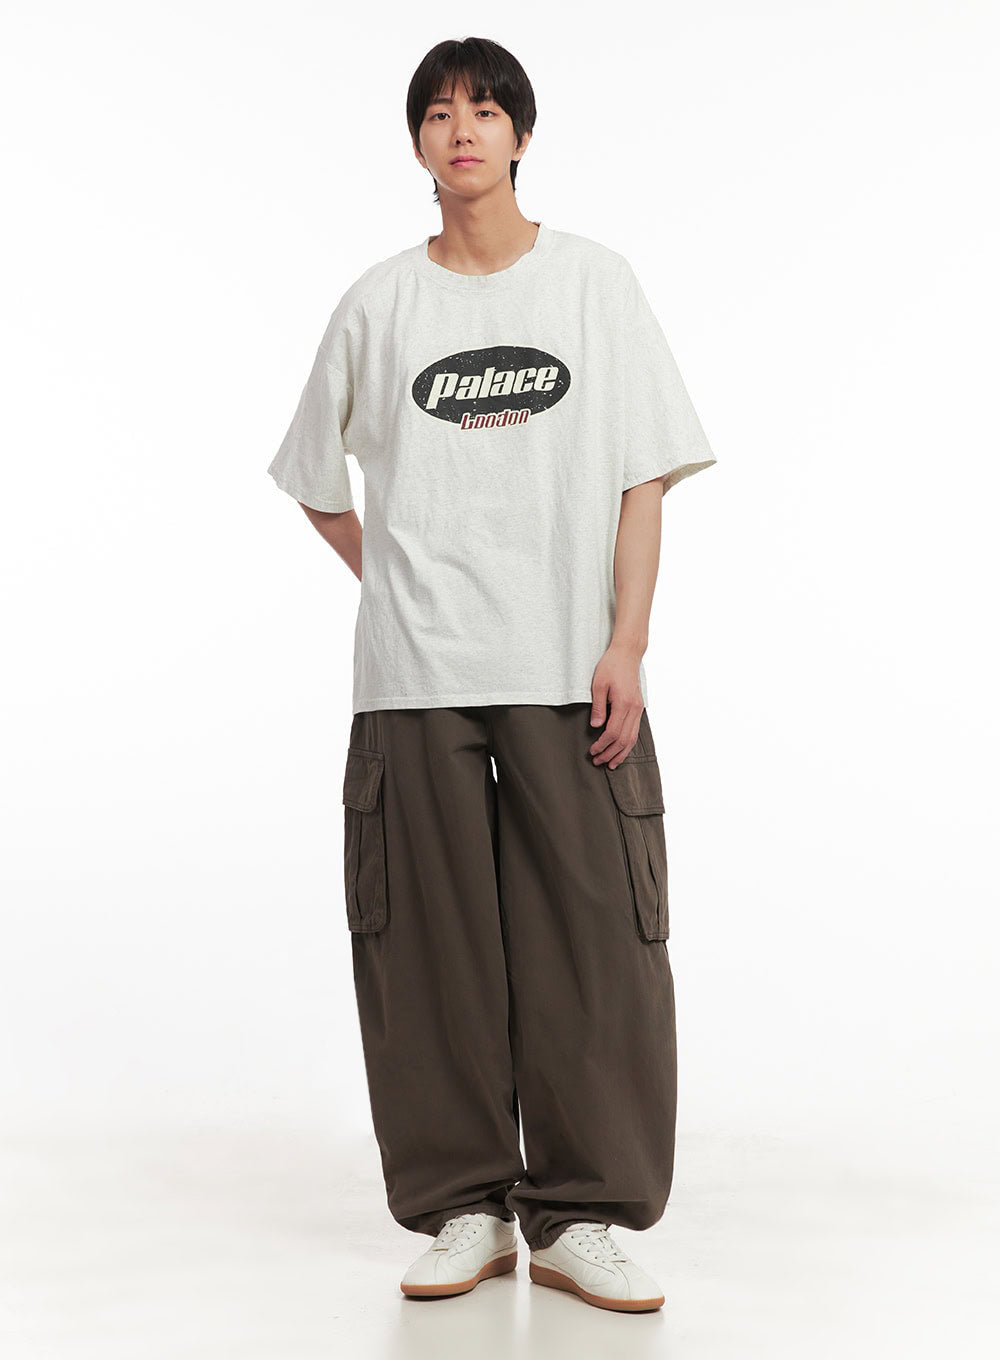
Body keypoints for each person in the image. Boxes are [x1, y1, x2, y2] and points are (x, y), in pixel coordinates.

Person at [267, 36, 717, 1314]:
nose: (460, 129)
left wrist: (627, 641)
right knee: (428, 949)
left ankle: (580, 1216)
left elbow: (643, 474)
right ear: (416, 141)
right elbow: (314, 480)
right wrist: (393, 582)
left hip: (568, 666)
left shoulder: (592, 285)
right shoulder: (378, 304)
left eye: (483, 109)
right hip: (413, 680)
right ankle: (464, 1205)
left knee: (595, 941)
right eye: (436, 111)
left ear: (520, 133)